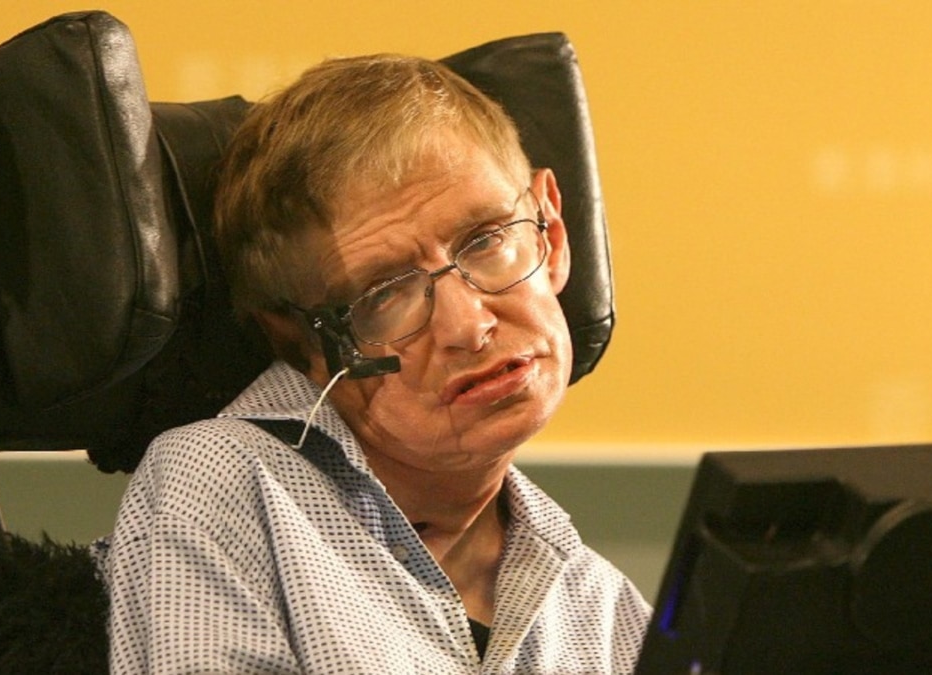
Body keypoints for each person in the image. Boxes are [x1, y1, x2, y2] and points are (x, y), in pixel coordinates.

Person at [100, 53, 650, 673]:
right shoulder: (226, 480)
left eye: (487, 240)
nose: (468, 327)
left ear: (551, 229)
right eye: (384, 294)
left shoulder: (607, 610)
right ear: (300, 342)